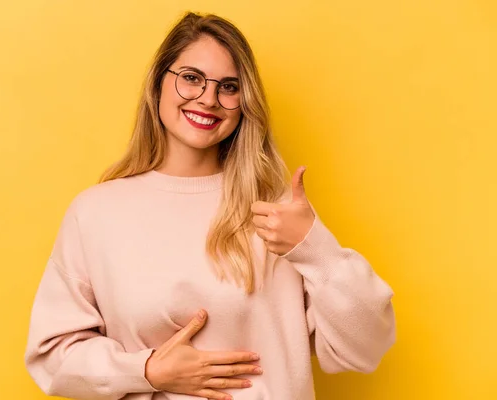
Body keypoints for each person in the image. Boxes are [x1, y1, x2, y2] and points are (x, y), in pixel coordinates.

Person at [24, 11, 396, 400]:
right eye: (191, 78)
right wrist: (147, 370)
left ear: (244, 102)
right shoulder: (96, 213)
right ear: (158, 84)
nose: (208, 99)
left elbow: (367, 348)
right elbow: (52, 355)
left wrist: (316, 250)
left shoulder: (275, 214)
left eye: (229, 87)